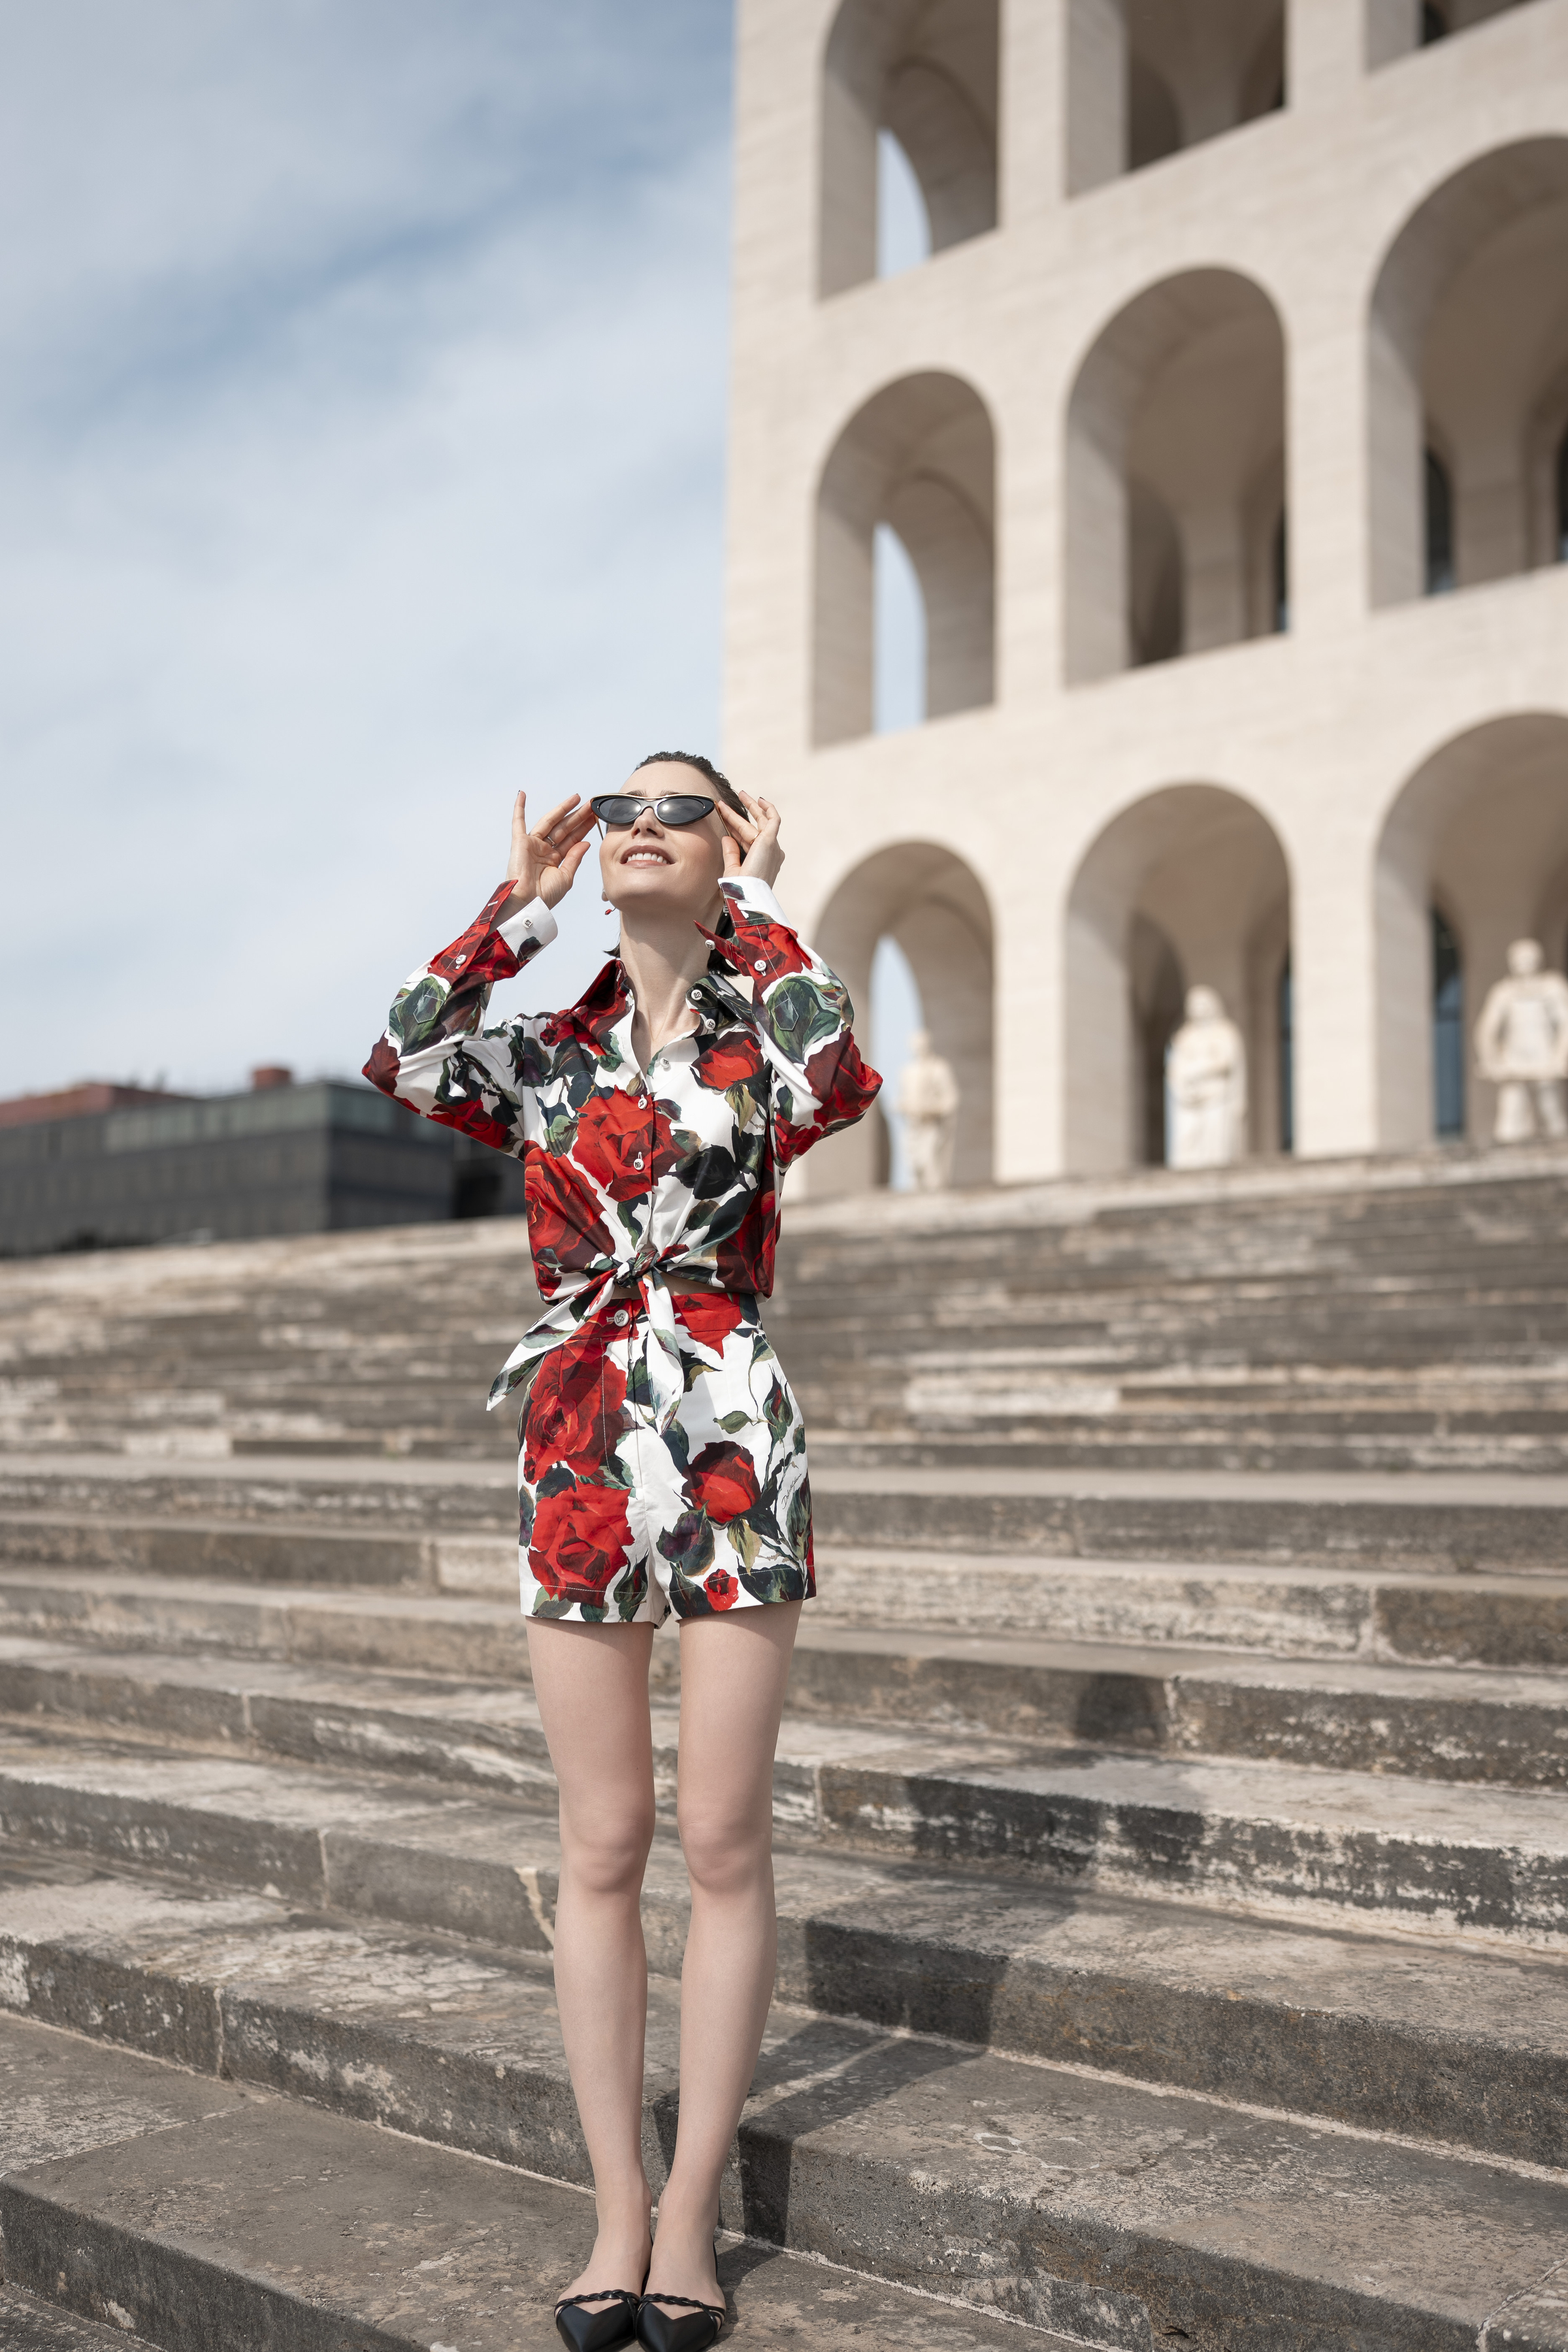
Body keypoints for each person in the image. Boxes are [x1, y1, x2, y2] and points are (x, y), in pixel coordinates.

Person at [365, 755, 880, 2352]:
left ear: (730, 844)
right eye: (619, 807)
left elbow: (840, 1077)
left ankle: (688, 2213)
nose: (636, 822)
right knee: (602, 1838)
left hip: (729, 1418)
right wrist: (511, 910)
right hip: (580, 1426)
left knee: (721, 1837)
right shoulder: (546, 1051)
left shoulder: (760, 1030)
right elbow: (401, 1053)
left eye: (680, 805)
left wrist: (771, 908)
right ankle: (610, 2204)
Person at [1473, 939, 1568, 1143]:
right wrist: (1491, 1060)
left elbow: (1565, 1023)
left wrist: (1560, 1057)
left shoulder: (1552, 986)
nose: (1522, 963)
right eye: (1518, 959)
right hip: (1515, 1058)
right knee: (1510, 1114)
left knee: (1551, 1109)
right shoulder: (1504, 991)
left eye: (1527, 958)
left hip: (1544, 1056)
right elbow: (1486, 1029)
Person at [1166, 985, 1247, 1169]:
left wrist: (1200, 1069)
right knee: (1188, 1141)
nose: (1199, 1009)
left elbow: (1227, 1061)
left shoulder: (1225, 1032)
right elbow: (1175, 1067)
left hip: (1216, 1096)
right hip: (1189, 1098)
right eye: (1195, 1005)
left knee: (1215, 1141)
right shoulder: (1185, 1036)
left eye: (1202, 1004)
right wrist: (1183, 1084)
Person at [895, 1028, 958, 1190]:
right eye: (915, 1046)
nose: (918, 1049)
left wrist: (931, 1109)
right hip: (912, 1126)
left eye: (921, 1045)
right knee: (914, 1169)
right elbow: (904, 1097)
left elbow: (951, 1100)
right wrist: (901, 1106)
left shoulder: (939, 1068)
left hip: (931, 1126)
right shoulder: (907, 1071)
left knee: (932, 1168)